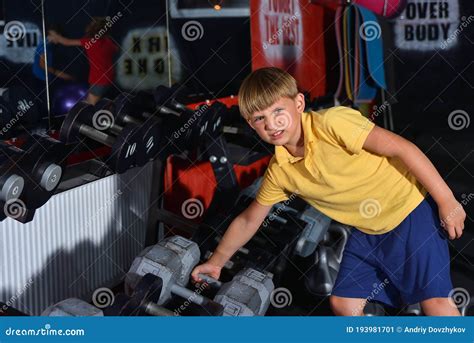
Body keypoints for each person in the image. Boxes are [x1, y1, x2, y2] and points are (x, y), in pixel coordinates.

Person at [191, 67, 466, 316]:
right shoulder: (281, 171)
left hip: (409, 212)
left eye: (278, 111)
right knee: (344, 303)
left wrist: (446, 199)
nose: (271, 124)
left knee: (435, 303)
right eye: (259, 118)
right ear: (251, 125)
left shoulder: (333, 123)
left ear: (299, 103)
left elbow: (403, 149)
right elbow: (249, 219)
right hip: (368, 230)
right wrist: (217, 261)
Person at [48, 17, 118, 105]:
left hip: (99, 81)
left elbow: (67, 42)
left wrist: (55, 37)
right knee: (98, 103)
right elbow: (117, 50)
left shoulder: (90, 42)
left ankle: (100, 117)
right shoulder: (108, 42)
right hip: (110, 79)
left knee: (89, 106)